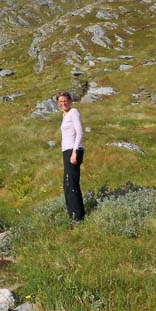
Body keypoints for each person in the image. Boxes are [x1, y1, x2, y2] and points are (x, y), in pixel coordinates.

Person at [57, 91, 85, 222]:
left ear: (70, 100)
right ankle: (75, 214)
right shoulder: (65, 115)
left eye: (65, 100)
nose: (63, 103)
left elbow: (79, 132)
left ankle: (77, 217)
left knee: (71, 183)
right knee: (68, 184)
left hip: (73, 151)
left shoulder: (73, 112)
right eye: (61, 101)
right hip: (67, 151)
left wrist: (75, 152)